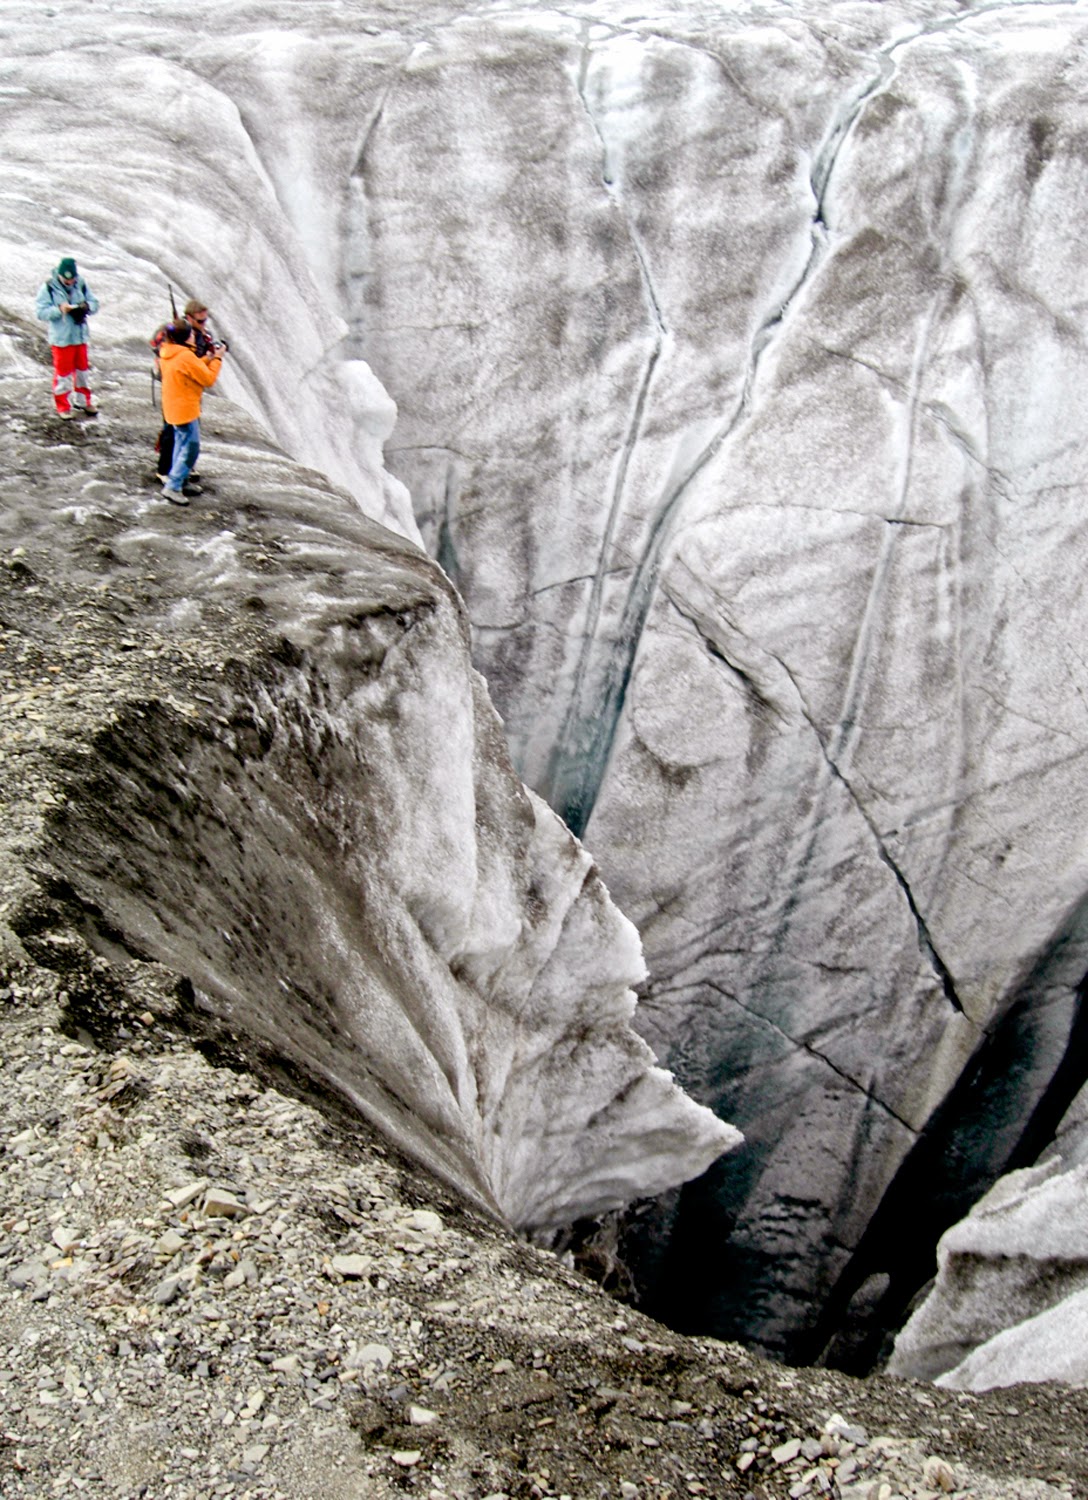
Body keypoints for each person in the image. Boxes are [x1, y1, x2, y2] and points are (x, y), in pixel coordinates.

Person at [158, 319, 226, 505]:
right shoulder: (185, 356)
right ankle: (172, 487)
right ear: (185, 338)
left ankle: (181, 480)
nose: (194, 336)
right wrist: (218, 359)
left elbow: (189, 368)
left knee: (181, 445)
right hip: (185, 409)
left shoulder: (169, 352)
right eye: (191, 334)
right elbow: (208, 378)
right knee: (190, 449)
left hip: (173, 407)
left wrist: (208, 358)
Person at [150, 298, 216, 478]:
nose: (204, 324)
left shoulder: (203, 335)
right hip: (174, 388)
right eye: (200, 321)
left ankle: (183, 467)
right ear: (189, 318)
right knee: (171, 431)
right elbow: (157, 346)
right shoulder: (174, 331)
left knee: (188, 432)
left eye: (205, 320)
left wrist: (211, 354)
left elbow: (207, 352)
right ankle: (164, 471)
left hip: (191, 389)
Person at [34, 257, 100, 420]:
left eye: (72, 280)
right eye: (67, 280)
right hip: (61, 339)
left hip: (79, 336)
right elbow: (41, 312)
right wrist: (59, 310)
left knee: (82, 371)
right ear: (60, 276)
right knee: (63, 374)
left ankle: (83, 401)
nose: (70, 282)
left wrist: (86, 307)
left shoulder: (81, 283)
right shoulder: (49, 288)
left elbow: (94, 303)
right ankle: (63, 405)